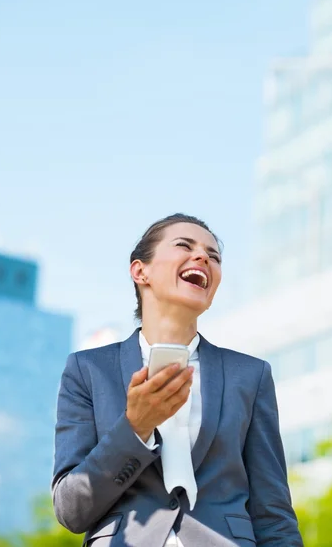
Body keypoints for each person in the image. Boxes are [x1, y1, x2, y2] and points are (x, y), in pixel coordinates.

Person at [52, 213, 303, 547]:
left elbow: (273, 514)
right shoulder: (88, 370)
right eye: (185, 246)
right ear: (140, 271)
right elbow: (71, 509)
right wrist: (135, 428)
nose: (203, 257)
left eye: (214, 257)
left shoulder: (250, 376)